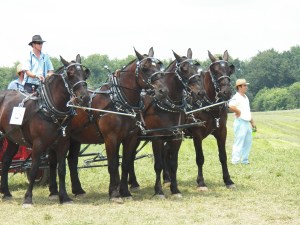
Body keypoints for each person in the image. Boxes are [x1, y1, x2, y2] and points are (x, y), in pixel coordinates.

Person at [229, 78, 256, 165]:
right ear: (239, 87)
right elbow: (231, 106)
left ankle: (245, 160)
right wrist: (238, 112)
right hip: (240, 122)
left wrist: (252, 122)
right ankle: (235, 161)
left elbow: (247, 111)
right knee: (239, 142)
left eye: (246, 85)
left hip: (247, 123)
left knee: (248, 142)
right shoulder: (236, 97)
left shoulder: (245, 97)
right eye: (244, 85)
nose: (246, 87)